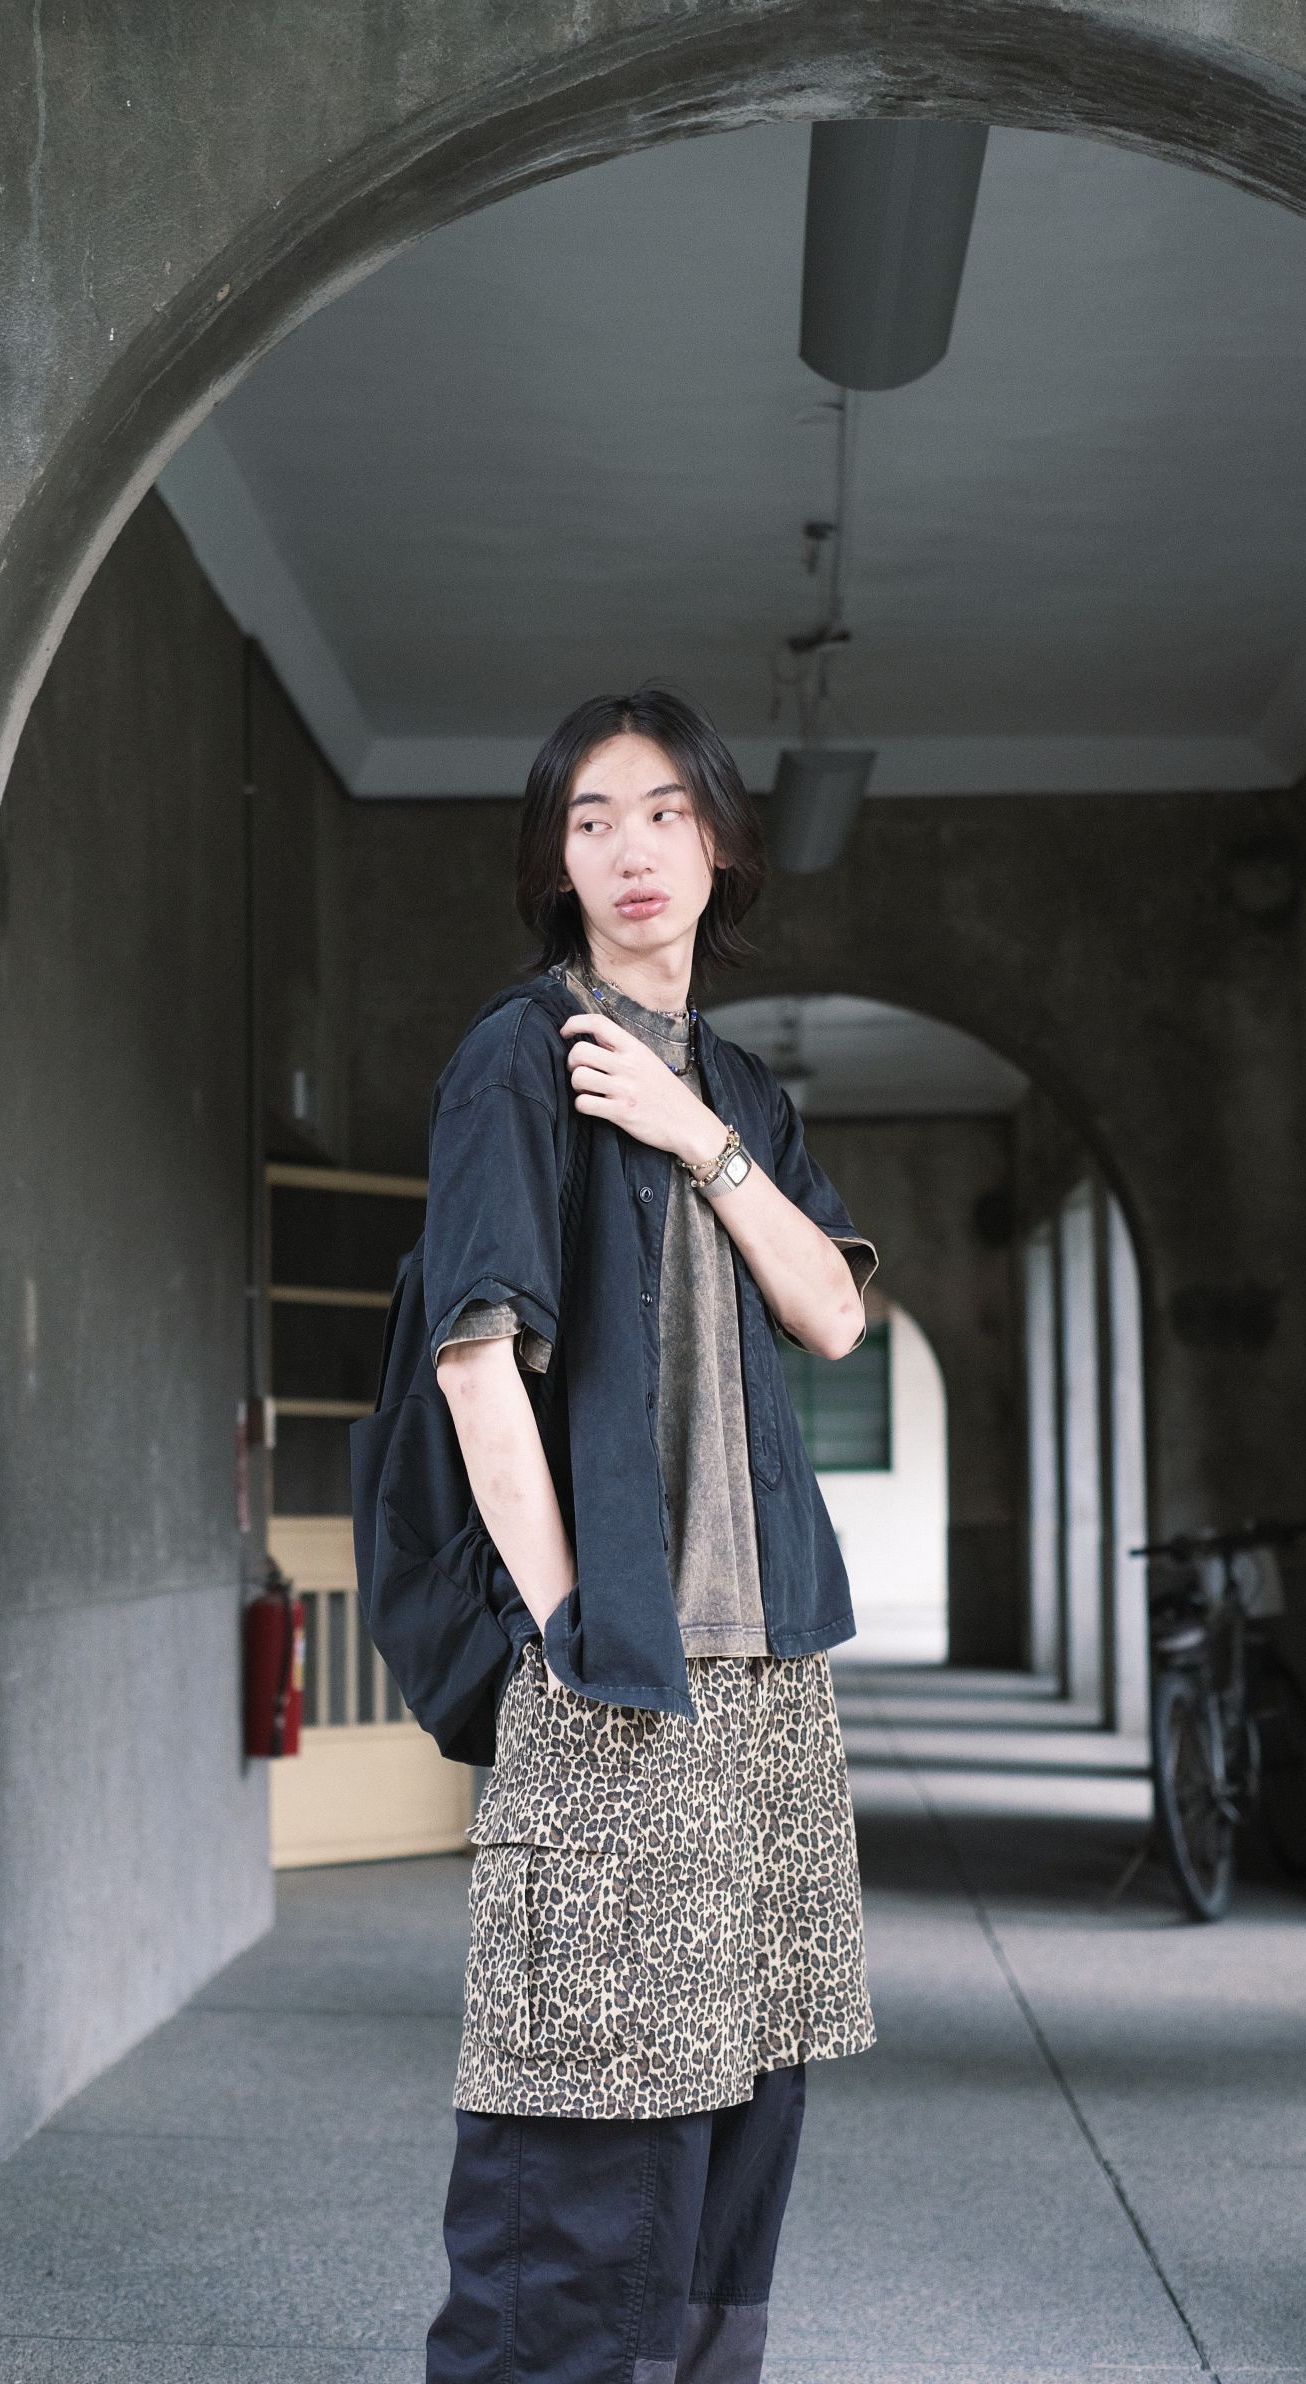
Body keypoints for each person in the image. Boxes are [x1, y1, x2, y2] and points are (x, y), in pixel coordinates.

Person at [422, 687, 878, 2383]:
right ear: (556, 856)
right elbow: (475, 1361)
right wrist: (569, 1628)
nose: (632, 848)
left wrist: (698, 1137)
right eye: (593, 815)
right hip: (621, 1658)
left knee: (745, 2095)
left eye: (667, 811)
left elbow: (833, 1313)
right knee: (588, 2119)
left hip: (766, 1671)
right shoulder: (516, 1058)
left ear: (720, 844)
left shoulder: (736, 1085)